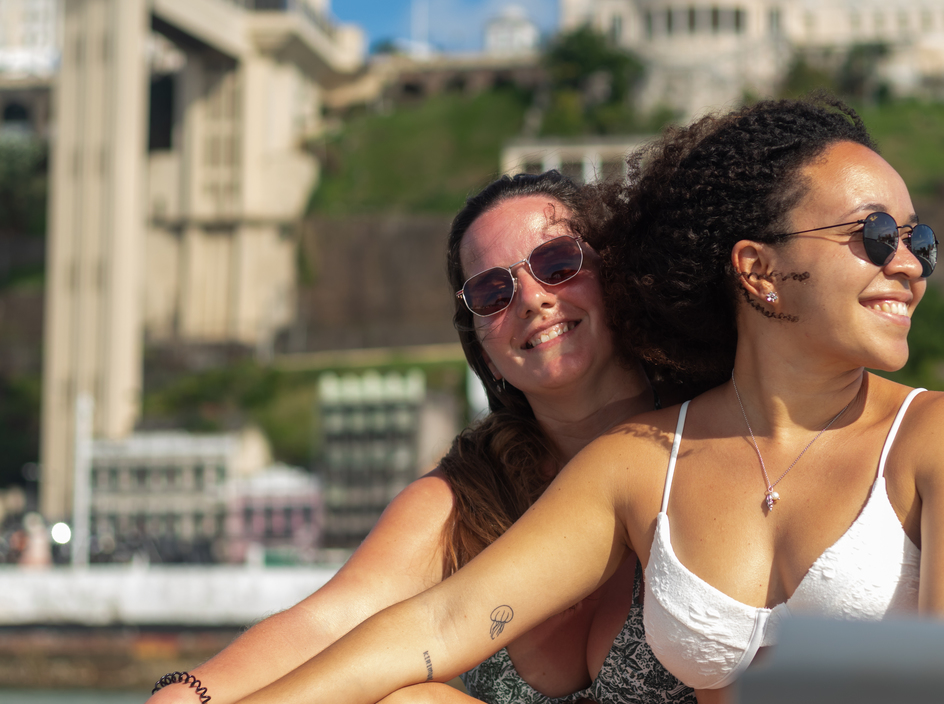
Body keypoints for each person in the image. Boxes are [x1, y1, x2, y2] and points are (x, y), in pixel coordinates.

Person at [233, 95, 944, 704]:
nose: (908, 265)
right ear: (757, 270)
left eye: (918, 241)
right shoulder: (644, 460)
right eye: (876, 235)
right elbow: (444, 621)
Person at [149, 171, 696, 704]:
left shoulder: (712, 438)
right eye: (493, 292)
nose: (532, 298)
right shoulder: (470, 497)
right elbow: (329, 621)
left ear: (615, 276)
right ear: (486, 354)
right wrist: (187, 695)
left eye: (557, 263)